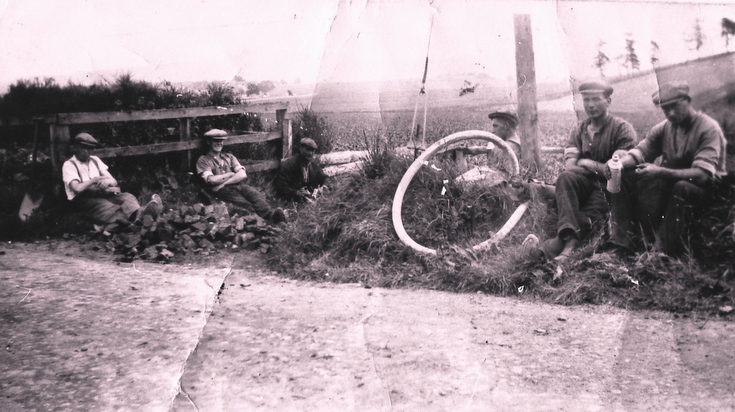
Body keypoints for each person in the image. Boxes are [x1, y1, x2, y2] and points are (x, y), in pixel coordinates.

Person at [604, 82, 727, 256]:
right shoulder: (665, 127)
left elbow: (702, 176)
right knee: (625, 176)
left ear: (688, 101)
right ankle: (621, 243)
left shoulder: (707, 128)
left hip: (707, 191)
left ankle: (660, 253)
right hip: (672, 182)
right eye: (665, 109)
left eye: (675, 106)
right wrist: (619, 165)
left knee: (681, 187)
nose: (671, 113)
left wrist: (660, 172)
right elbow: (642, 151)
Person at [524, 81, 637, 261]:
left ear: (608, 101)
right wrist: (598, 167)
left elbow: (613, 170)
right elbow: (570, 167)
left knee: (589, 216)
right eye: (586, 100)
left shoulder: (622, 129)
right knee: (565, 178)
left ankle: (553, 250)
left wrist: (585, 162)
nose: (590, 105)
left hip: (608, 189)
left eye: (596, 99)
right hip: (583, 185)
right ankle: (567, 243)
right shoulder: (579, 130)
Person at [62, 133, 162, 225]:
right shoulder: (69, 165)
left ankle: (140, 215)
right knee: (106, 206)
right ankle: (136, 221)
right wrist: (94, 180)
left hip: (101, 194)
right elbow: (77, 188)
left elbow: (113, 181)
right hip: (83, 200)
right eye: (82, 147)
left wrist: (106, 182)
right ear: (75, 147)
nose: (85, 151)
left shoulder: (95, 161)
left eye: (89, 148)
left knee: (127, 197)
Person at [196, 129, 286, 223]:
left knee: (255, 196)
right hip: (221, 191)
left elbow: (242, 174)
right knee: (245, 204)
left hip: (235, 186)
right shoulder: (204, 160)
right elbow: (211, 180)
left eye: (221, 141)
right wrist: (230, 174)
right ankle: (260, 222)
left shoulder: (229, 157)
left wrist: (223, 183)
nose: (219, 143)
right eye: (215, 141)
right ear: (208, 142)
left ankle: (272, 217)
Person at [273, 138, 328, 202]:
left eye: (312, 150)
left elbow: (324, 177)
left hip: (308, 200)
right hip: (291, 201)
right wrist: (296, 192)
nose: (310, 153)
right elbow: (281, 186)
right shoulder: (290, 164)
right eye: (308, 150)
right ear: (301, 149)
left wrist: (324, 187)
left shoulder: (313, 164)